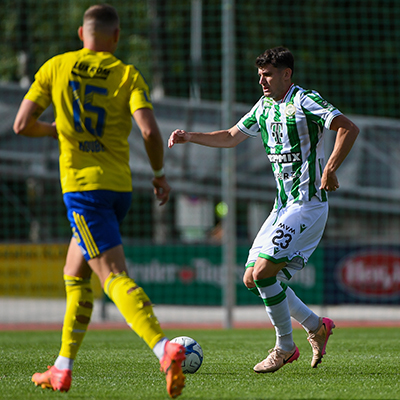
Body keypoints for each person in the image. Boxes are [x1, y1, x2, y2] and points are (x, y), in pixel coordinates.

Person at [13, 4, 186, 398]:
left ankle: (164, 348)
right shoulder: (127, 74)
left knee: (112, 276)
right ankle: (62, 368)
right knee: (74, 273)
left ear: (81, 34)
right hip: (118, 189)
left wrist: (55, 130)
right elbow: (150, 132)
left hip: (83, 190)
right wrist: (159, 174)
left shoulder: (56, 67)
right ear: (116, 37)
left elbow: (21, 125)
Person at [169, 46, 359, 373]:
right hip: (282, 207)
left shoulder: (304, 100)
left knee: (263, 273)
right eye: (260, 75)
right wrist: (190, 137)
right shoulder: (263, 107)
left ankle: (285, 347)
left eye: (268, 75)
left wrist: (330, 168)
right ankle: (316, 326)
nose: (262, 81)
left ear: (287, 74)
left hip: (307, 205)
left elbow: (348, 127)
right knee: (250, 278)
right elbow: (230, 136)